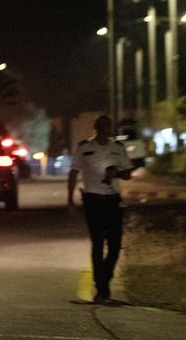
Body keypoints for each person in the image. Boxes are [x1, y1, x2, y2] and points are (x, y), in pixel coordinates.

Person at [67, 114, 133, 304]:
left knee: (114, 245)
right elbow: (73, 172)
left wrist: (117, 173)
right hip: (92, 200)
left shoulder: (117, 148)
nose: (103, 129)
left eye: (107, 126)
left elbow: (128, 174)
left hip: (113, 200)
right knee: (97, 243)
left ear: (110, 128)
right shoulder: (84, 147)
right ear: (95, 128)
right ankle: (102, 289)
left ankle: (105, 278)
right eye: (100, 125)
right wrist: (70, 200)